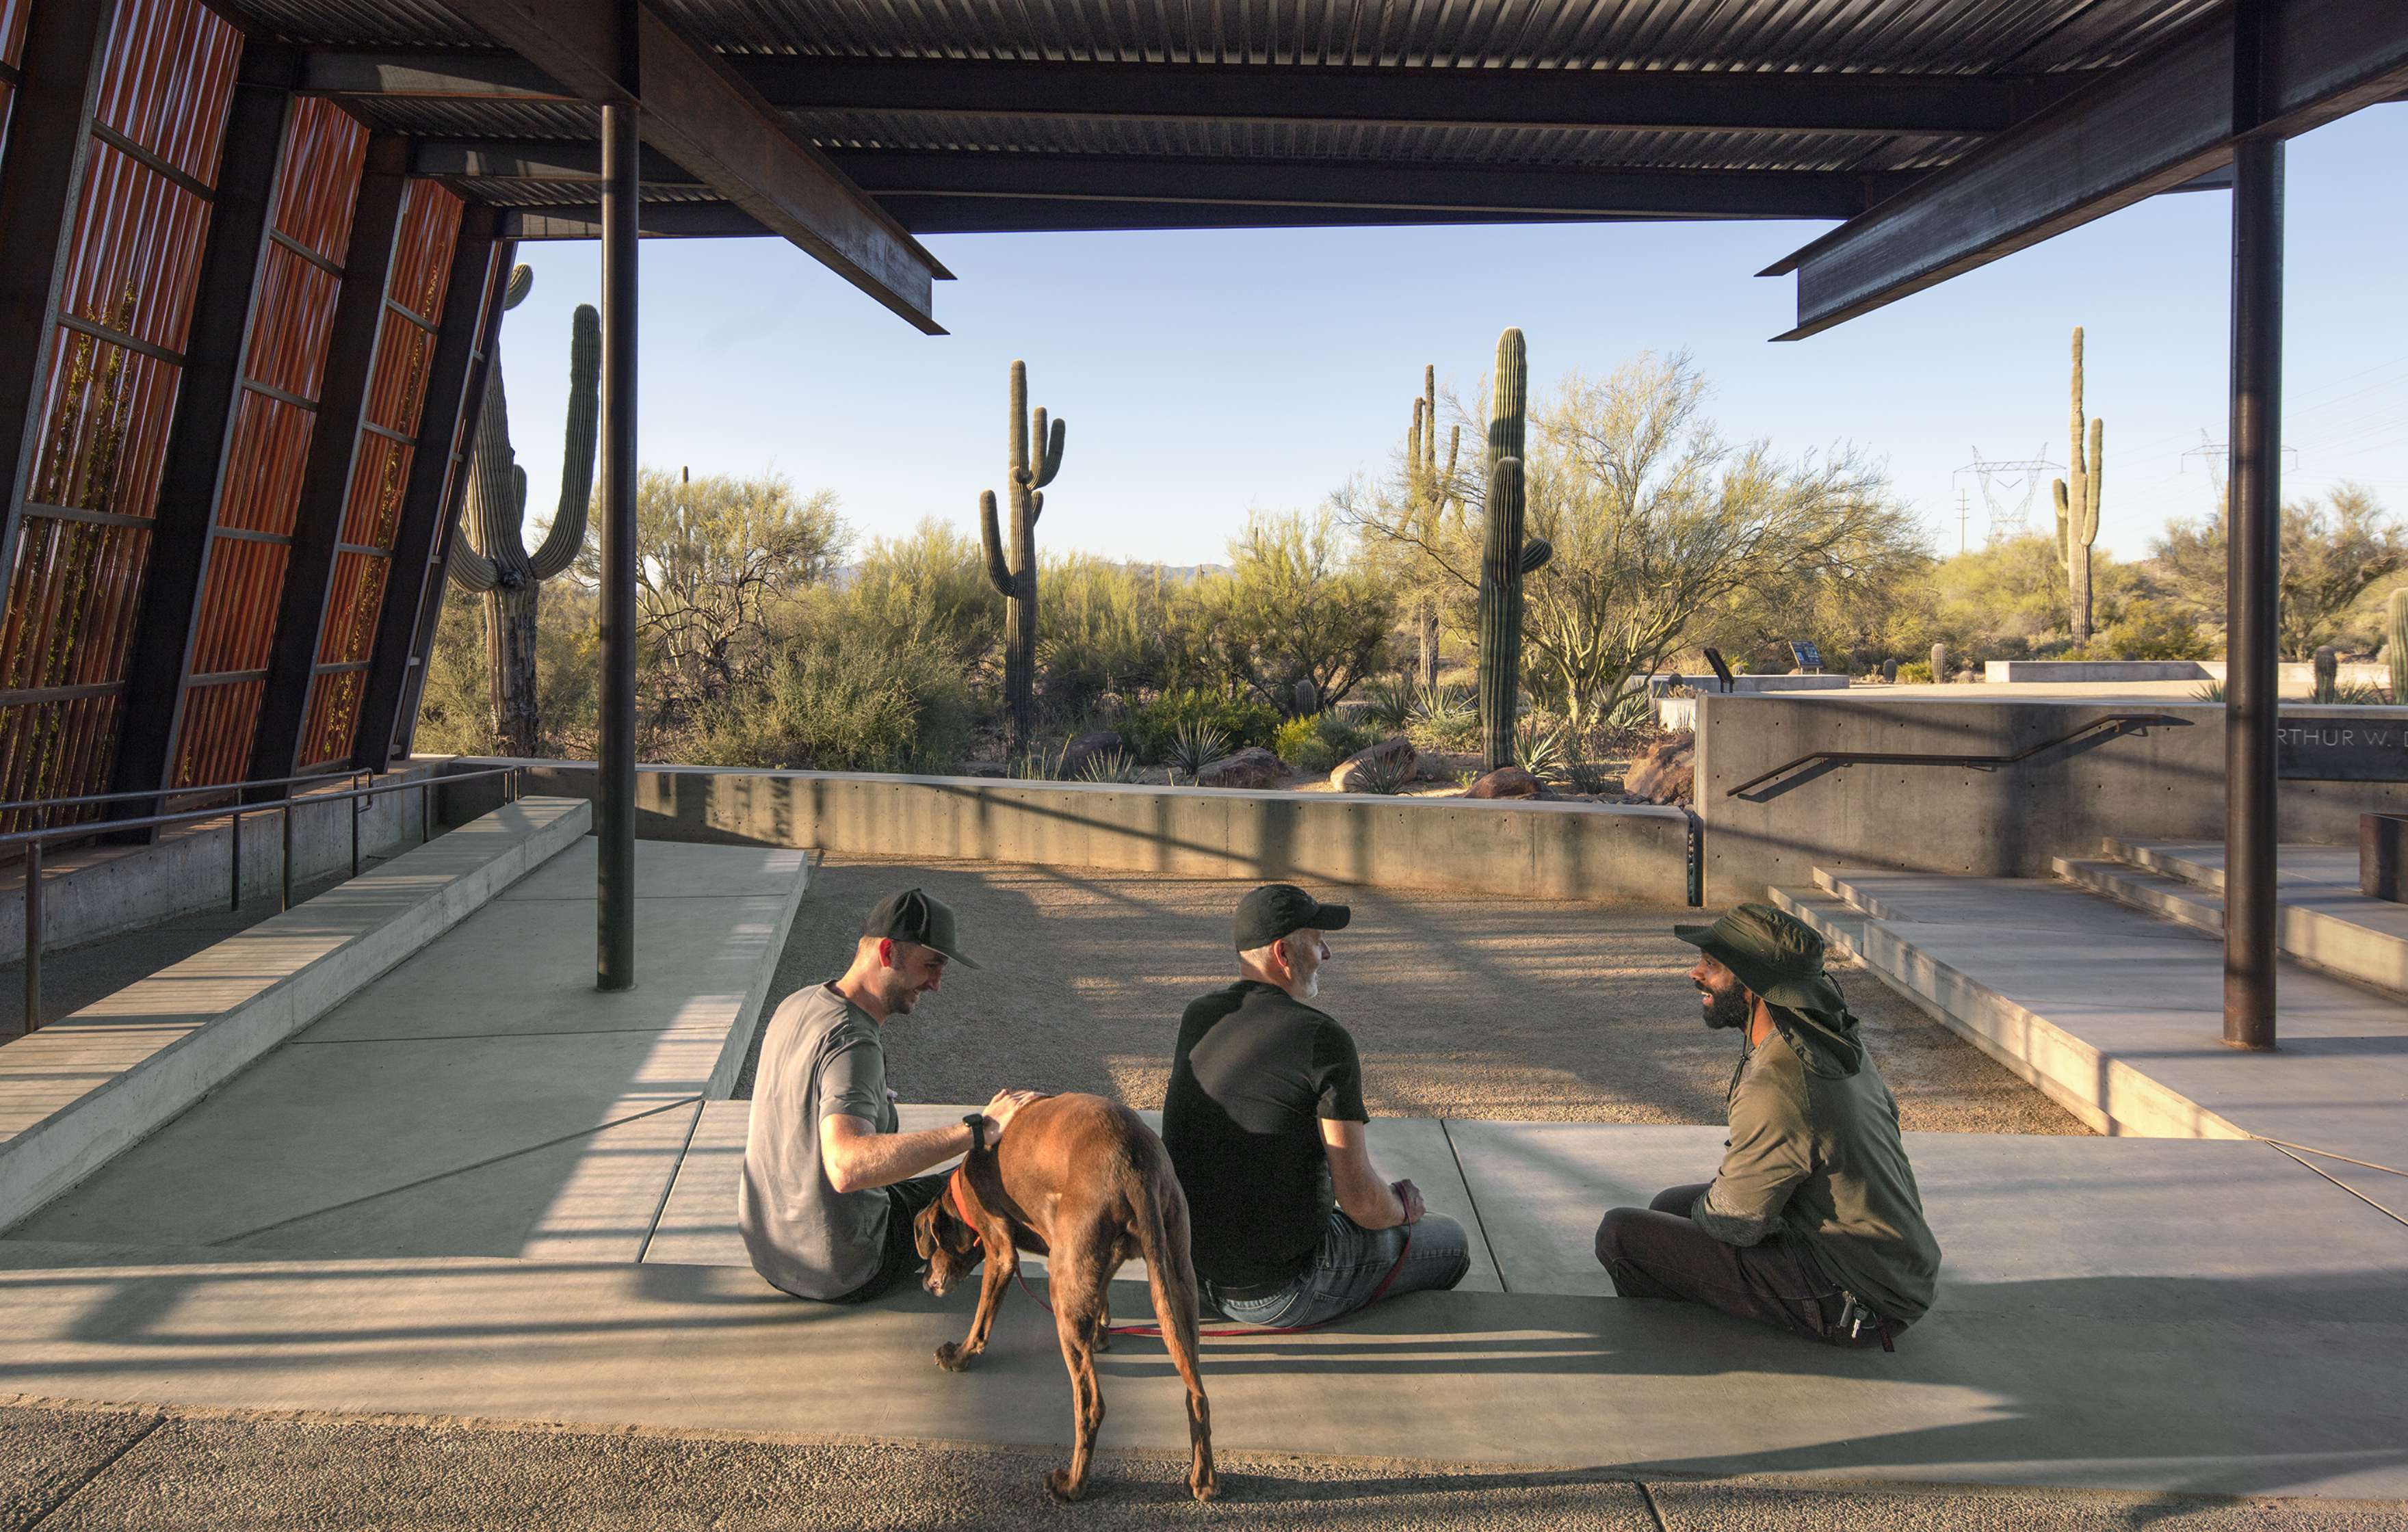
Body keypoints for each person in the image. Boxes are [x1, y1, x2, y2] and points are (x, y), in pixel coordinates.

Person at [1595, 903, 1941, 1349]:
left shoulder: (1780, 1082)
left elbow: (1734, 1225)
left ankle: (1691, 1350)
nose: (1694, 974)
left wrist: (1732, 1216)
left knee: (1622, 1235)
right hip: (1888, 1268)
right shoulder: (1827, 1037)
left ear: (1753, 984)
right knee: (1669, 1206)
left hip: (1856, 1300)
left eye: (1713, 966)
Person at [1161, 883, 1471, 1326]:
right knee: (1449, 1241)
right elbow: (1361, 1200)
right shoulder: (1323, 1039)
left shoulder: (1199, 1015)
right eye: (1317, 940)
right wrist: (1404, 1208)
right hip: (1282, 1290)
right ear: (1283, 953)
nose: (1327, 954)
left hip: (1193, 1277)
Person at [739, 886, 1039, 1302]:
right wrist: (979, 1129)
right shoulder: (854, 1044)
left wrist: (873, 1100)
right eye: (931, 965)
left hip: (773, 1252)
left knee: (938, 1187)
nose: (936, 984)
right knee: (984, 1179)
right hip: (842, 1268)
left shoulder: (798, 1003)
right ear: (888, 952)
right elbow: (846, 1167)